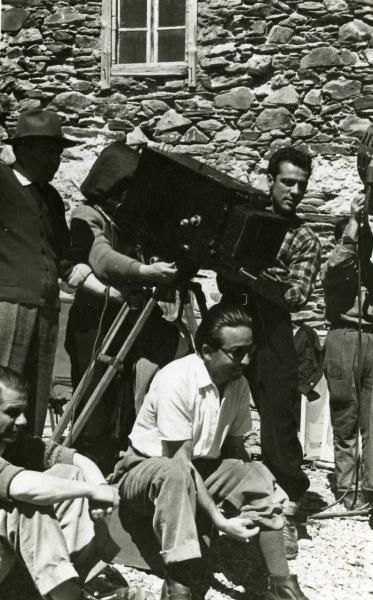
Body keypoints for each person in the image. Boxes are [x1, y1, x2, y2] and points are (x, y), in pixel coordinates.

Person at [113, 304, 311, 600]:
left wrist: (262, 494)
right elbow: (178, 462)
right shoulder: (176, 379)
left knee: (254, 471)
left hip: (200, 470)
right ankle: (178, 583)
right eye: (237, 353)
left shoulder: (238, 384)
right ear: (207, 350)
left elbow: (235, 451)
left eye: (250, 351)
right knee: (176, 474)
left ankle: (280, 584)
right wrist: (219, 521)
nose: (245, 360)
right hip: (148, 473)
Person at [218, 146, 321, 558]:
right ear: (270, 180)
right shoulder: (245, 217)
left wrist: (254, 274)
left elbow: (295, 295)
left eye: (301, 184)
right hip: (230, 319)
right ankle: (218, 497)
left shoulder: (306, 238)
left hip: (273, 328)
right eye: (287, 182)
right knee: (216, 406)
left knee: (278, 420)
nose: (294, 191)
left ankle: (289, 510)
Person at [64, 141, 185, 474]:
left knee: (123, 403)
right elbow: (101, 257)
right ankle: (87, 472)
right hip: (95, 321)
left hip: (130, 322)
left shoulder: (132, 224)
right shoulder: (87, 215)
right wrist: (144, 272)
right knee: (94, 405)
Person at [0, 364, 132, 600]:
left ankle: (88, 578)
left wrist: (100, 488)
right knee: (29, 505)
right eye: (12, 412)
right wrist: (90, 491)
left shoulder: (15, 442)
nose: (22, 421)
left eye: (23, 412)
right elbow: (22, 486)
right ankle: (70, 594)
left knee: (67, 474)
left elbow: (76, 460)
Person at [0, 109, 74, 437]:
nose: (56, 159)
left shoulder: (53, 199)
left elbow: (65, 259)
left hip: (46, 310)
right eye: (49, 150)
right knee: (4, 394)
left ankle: (25, 468)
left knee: (35, 396)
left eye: (59, 152)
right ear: (24, 148)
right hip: (8, 306)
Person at [322, 195, 373, 511]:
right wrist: (353, 224)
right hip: (343, 337)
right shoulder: (339, 264)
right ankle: (346, 488)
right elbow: (337, 263)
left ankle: (370, 488)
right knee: (345, 416)